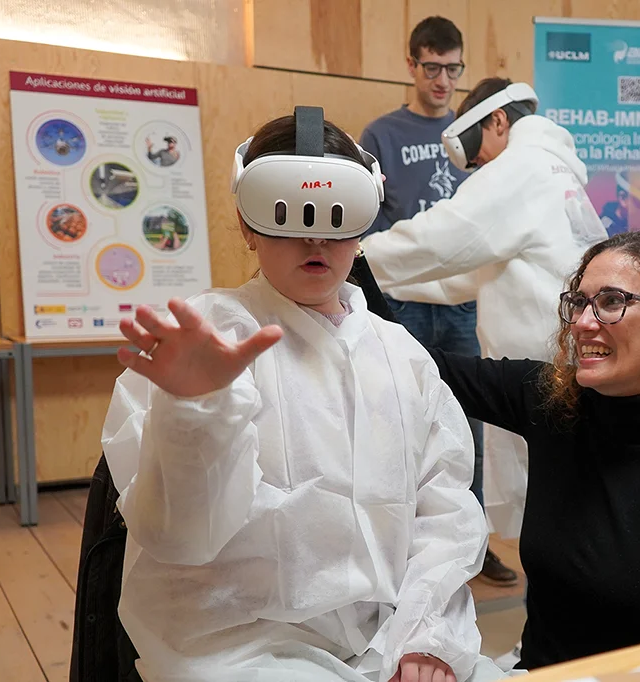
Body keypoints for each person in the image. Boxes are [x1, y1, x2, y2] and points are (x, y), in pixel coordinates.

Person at [101, 112, 501, 682]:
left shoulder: (402, 356)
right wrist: (193, 413)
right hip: (240, 647)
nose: (316, 238)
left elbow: (445, 513)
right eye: (286, 217)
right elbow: (177, 536)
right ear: (247, 225)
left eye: (338, 217)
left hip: (394, 633)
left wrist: (430, 637)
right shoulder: (205, 341)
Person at [423, 231, 640, 670]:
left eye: (611, 302)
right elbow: (412, 362)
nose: (583, 322)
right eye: (580, 302)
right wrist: (345, 242)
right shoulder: (552, 403)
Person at [361, 77, 608, 538]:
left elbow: (442, 238)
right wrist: (373, 282)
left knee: (551, 510)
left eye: (477, 156)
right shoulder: (556, 169)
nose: (476, 169)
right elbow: (468, 272)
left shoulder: (522, 167)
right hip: (566, 356)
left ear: (497, 120)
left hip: (542, 366)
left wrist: (356, 256)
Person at [358, 17, 517, 586]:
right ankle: (402, 543)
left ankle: (471, 544)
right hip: (403, 299)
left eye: (454, 69)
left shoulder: (476, 129)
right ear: (411, 66)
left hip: (463, 300)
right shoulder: (380, 133)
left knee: (467, 415)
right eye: (433, 68)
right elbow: (371, 222)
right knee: (402, 414)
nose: (444, 80)